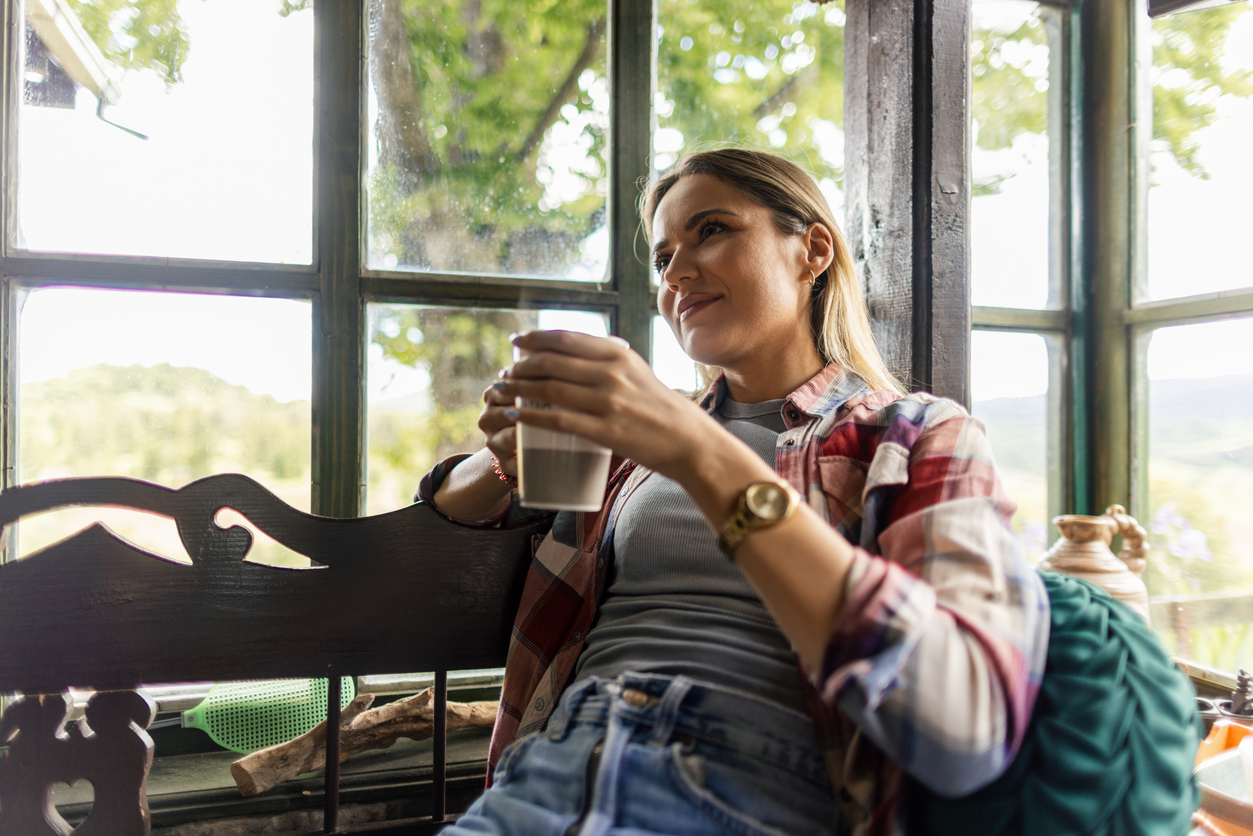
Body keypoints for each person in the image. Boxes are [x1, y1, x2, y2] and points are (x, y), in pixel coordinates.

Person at [417, 148, 1077, 835]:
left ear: (812, 250)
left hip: (755, 782)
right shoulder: (632, 443)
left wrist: (702, 454)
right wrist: (500, 459)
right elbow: (447, 514)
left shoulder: (912, 436)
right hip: (552, 770)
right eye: (662, 256)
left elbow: (966, 722)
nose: (675, 269)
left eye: (711, 230)